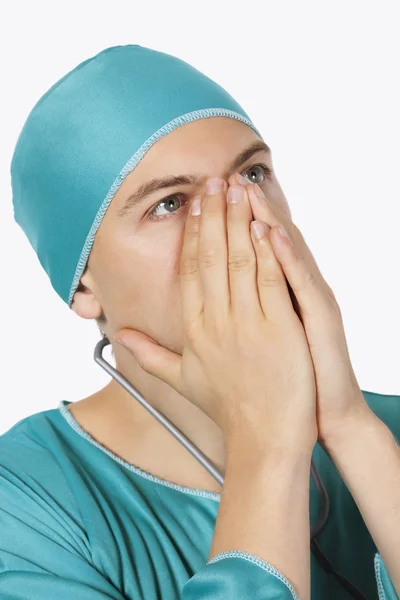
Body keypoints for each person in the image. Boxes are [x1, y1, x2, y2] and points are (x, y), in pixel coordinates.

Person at [1, 43, 399, 600]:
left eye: (253, 174)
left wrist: (355, 430)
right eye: (168, 203)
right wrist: (266, 449)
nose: (240, 220)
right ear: (83, 283)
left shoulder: (387, 427)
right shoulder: (21, 507)